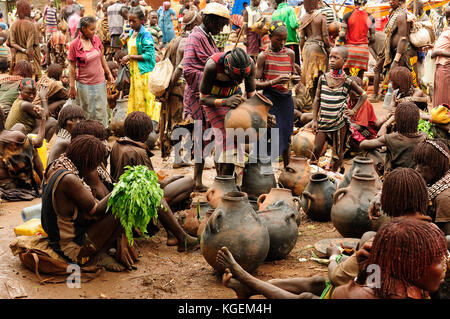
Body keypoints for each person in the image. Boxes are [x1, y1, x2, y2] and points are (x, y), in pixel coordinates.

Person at [42, 135, 139, 272]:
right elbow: (95, 209)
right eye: (95, 165)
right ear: (87, 161)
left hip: (56, 238)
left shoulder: (58, 164)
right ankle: (96, 257)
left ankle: (103, 251)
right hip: (68, 247)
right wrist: (123, 186)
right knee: (123, 207)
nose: (95, 170)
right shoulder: (69, 179)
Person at [109, 111, 199, 251]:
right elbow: (154, 187)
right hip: (138, 204)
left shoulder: (117, 145)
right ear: (143, 134)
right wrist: (170, 180)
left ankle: (172, 233)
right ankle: (178, 235)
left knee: (175, 182)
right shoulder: (138, 152)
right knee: (188, 183)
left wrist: (170, 179)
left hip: (127, 199)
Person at [332, 218, 447, 299]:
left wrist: (363, 274)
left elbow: (374, 287)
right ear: (412, 264)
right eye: (439, 261)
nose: (444, 266)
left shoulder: (344, 293)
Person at [182, 2, 230, 191]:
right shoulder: (195, 37)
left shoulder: (207, 36)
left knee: (215, 137)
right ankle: (198, 180)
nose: (222, 28)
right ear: (210, 20)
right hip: (199, 95)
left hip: (210, 94)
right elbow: (188, 71)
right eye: (220, 24)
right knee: (203, 139)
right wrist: (215, 77)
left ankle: (220, 179)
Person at [200, 47, 256, 180]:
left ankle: (232, 179)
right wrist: (225, 102)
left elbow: (251, 96)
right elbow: (203, 98)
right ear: (226, 70)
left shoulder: (250, 64)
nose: (241, 81)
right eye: (237, 78)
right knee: (227, 138)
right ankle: (223, 181)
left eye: (244, 78)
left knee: (239, 136)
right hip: (213, 101)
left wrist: (261, 114)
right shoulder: (212, 66)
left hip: (234, 98)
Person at [311, 46, 367, 173]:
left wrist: (353, 111)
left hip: (339, 122)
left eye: (336, 58)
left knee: (338, 152)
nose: (332, 60)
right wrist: (314, 119)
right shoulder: (323, 78)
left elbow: (363, 95)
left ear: (345, 61)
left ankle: (334, 176)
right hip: (323, 120)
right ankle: (311, 174)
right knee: (316, 149)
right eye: (330, 57)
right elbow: (317, 100)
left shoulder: (347, 81)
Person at [255, 20, 299, 168]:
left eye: (285, 39)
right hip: (270, 99)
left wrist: (295, 79)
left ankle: (287, 169)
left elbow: (292, 76)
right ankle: (263, 169)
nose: (282, 42)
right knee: (269, 134)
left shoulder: (290, 54)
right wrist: (273, 82)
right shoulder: (263, 56)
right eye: (278, 39)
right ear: (270, 36)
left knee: (286, 134)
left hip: (286, 99)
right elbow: (255, 84)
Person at [159, 10, 202, 161]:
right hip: (179, 89)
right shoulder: (187, 42)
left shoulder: (175, 41)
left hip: (173, 88)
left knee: (173, 122)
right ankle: (177, 158)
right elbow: (179, 69)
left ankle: (177, 156)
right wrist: (169, 89)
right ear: (195, 24)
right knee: (179, 123)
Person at [68, 16, 114, 129]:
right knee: (87, 111)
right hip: (84, 84)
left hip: (99, 82)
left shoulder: (96, 39)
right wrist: (72, 86)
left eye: (95, 29)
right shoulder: (75, 44)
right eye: (91, 29)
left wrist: (108, 74)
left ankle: (101, 134)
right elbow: (72, 67)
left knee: (101, 110)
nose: (94, 32)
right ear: (83, 29)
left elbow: (101, 57)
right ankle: (88, 135)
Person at [360, 102, 427, 176]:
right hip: (415, 177)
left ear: (397, 121)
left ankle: (381, 176)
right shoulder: (424, 137)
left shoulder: (390, 138)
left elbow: (362, 144)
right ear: (417, 119)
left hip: (395, 177)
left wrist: (383, 130)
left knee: (369, 151)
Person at [372, 0, 419, 100]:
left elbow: (403, 38)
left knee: (404, 82)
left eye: (392, 0)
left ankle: (408, 106)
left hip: (404, 53)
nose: (389, 2)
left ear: (400, 1)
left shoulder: (402, 15)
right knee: (398, 81)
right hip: (397, 52)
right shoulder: (396, 14)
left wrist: (396, 60)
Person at [0, 105, 46, 201]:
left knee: (20, 129)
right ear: (3, 118)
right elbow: (38, 142)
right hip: (18, 187)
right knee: (29, 144)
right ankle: (45, 183)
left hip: (3, 188)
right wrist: (43, 118)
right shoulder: (16, 137)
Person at [120, 6, 158, 119]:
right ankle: (137, 123)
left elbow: (149, 55)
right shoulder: (132, 32)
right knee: (137, 98)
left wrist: (130, 57)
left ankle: (148, 124)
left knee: (146, 99)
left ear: (141, 20)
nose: (131, 23)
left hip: (144, 73)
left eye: (133, 21)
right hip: (135, 72)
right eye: (129, 20)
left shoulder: (145, 35)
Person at [376, 66, 428, 137]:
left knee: (386, 124)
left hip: (415, 118)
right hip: (398, 115)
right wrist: (389, 116)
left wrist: (385, 125)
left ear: (400, 82)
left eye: (393, 81)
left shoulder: (417, 92)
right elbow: (390, 110)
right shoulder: (395, 93)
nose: (390, 84)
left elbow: (404, 110)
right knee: (378, 122)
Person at [413, 139, 450, 237]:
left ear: (436, 166)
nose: (417, 169)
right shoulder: (436, 183)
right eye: (416, 164)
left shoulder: (444, 199)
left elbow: (446, 237)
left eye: (424, 165)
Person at [299, 0, 331, 99]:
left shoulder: (303, 18)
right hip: (318, 48)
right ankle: (321, 98)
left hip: (306, 48)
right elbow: (325, 35)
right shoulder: (322, 16)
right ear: (316, 3)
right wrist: (329, 48)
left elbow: (301, 38)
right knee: (321, 74)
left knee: (308, 76)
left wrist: (301, 52)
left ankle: (311, 100)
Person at [338, 0, 375, 79]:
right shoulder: (370, 17)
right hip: (363, 52)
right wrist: (367, 42)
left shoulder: (347, 15)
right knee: (359, 78)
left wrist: (344, 40)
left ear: (354, 3)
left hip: (349, 51)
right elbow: (373, 37)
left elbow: (342, 34)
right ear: (365, 3)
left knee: (347, 79)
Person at [8, 0, 42, 81]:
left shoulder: (13, 25)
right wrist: (31, 62)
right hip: (31, 58)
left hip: (19, 59)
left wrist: (22, 50)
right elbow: (30, 47)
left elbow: (10, 43)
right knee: (35, 82)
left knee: (20, 81)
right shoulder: (31, 25)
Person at [347, 76, 378, 145]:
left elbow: (360, 126)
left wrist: (360, 127)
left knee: (344, 128)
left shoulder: (364, 103)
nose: (358, 93)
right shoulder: (349, 101)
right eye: (354, 90)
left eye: (359, 90)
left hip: (368, 132)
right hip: (359, 128)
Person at [431, 6, 450, 108]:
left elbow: (443, 50)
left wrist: (439, 52)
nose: (449, 19)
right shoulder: (447, 29)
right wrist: (433, 48)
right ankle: (439, 119)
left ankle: (443, 120)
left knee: (444, 98)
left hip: (446, 68)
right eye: (447, 16)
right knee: (439, 96)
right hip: (441, 67)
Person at [271, 0, 300, 66]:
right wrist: (299, 21)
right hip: (291, 41)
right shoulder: (290, 9)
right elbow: (294, 24)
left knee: (283, 65)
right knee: (295, 66)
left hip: (279, 44)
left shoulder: (274, 13)